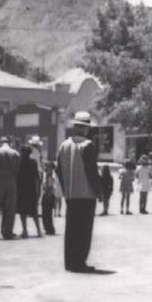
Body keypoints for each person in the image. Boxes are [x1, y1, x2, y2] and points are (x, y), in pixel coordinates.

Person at [56, 113, 102, 273]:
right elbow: (91, 171)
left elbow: (59, 170)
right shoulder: (88, 145)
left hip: (71, 193)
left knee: (71, 229)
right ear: (85, 128)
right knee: (84, 230)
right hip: (86, 194)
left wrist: (65, 189)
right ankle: (80, 261)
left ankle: (70, 262)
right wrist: (99, 191)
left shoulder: (63, 145)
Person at [0, 137, 20, 240]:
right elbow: (17, 169)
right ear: (9, 143)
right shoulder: (15, 153)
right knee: (10, 208)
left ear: (0, 143)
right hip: (11, 179)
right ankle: (8, 231)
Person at [16, 145, 43, 238]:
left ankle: (25, 230)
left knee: (23, 212)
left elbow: (16, 177)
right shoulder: (33, 163)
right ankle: (39, 230)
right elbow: (36, 178)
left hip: (22, 190)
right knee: (34, 211)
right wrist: (38, 190)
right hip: (31, 189)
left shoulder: (18, 163)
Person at [41, 162, 58, 235]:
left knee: (48, 213)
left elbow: (50, 187)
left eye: (48, 167)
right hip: (45, 195)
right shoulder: (46, 176)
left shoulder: (51, 177)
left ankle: (50, 228)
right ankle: (47, 228)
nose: (46, 169)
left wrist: (48, 195)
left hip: (49, 196)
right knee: (45, 213)